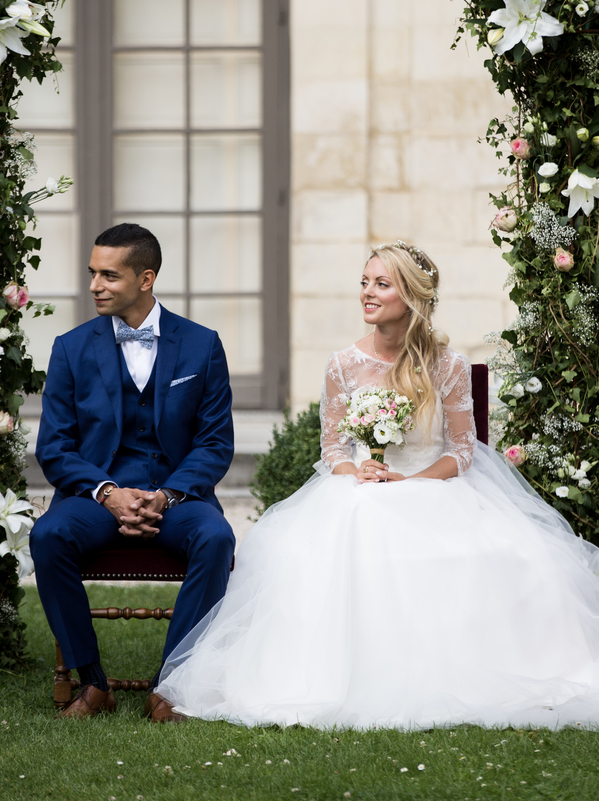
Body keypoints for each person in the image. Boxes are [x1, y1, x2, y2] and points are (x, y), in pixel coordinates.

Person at [156, 242, 599, 730]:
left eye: (381, 284)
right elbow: (333, 452)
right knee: (335, 541)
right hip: (362, 489)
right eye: (365, 282)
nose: (367, 293)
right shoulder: (343, 365)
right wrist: (357, 472)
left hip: (433, 485)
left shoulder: (447, 366)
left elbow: (462, 451)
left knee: (520, 555)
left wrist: (414, 481)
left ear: (412, 296)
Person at [30, 223, 235, 721]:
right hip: (96, 498)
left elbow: (215, 443)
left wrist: (165, 497)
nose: (95, 285)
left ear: (146, 278)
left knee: (216, 540)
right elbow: (54, 447)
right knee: (48, 535)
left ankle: (169, 686)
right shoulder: (71, 347)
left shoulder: (202, 345)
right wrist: (108, 493)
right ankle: (92, 683)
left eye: (109, 275)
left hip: (177, 499)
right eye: (92, 273)